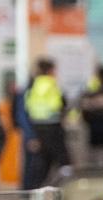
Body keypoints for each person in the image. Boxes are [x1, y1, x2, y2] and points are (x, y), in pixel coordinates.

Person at [23, 57, 69, 189]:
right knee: (64, 163)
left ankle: (34, 193)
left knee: (41, 165)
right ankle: (66, 192)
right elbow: (59, 104)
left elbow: (27, 109)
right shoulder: (51, 83)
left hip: (37, 128)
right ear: (50, 70)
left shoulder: (33, 84)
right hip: (53, 127)